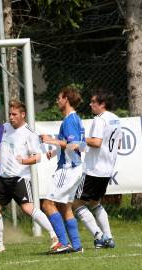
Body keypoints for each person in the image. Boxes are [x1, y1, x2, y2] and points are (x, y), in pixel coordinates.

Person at [0, 100, 64, 254]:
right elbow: (7, 148)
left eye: (14, 114)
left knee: (28, 208)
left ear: (23, 115)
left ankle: (54, 236)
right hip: (3, 177)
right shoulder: (6, 128)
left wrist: (24, 160)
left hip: (20, 178)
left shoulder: (29, 134)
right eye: (9, 114)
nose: (11, 117)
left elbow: (37, 157)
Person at [71, 90, 121, 248]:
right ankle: (109, 237)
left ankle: (99, 236)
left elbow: (97, 142)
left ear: (102, 104)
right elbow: (117, 144)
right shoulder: (116, 119)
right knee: (95, 202)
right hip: (107, 170)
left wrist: (79, 139)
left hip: (94, 169)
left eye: (93, 102)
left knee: (76, 203)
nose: (90, 104)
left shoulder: (99, 119)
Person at [41, 86, 85, 253]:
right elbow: (74, 145)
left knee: (47, 204)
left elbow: (73, 145)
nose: (57, 100)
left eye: (59, 97)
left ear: (66, 99)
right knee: (66, 207)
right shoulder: (74, 119)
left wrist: (50, 140)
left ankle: (63, 243)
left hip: (68, 168)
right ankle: (76, 245)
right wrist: (55, 151)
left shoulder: (70, 120)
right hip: (74, 167)